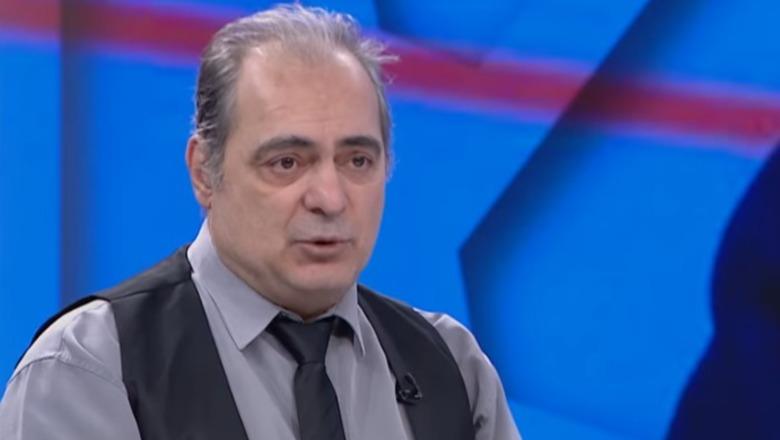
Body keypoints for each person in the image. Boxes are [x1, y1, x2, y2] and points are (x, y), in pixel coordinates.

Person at [0, 5, 521, 440]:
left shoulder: (452, 366)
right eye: (287, 162)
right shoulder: (91, 367)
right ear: (205, 172)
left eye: (357, 160)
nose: (330, 198)